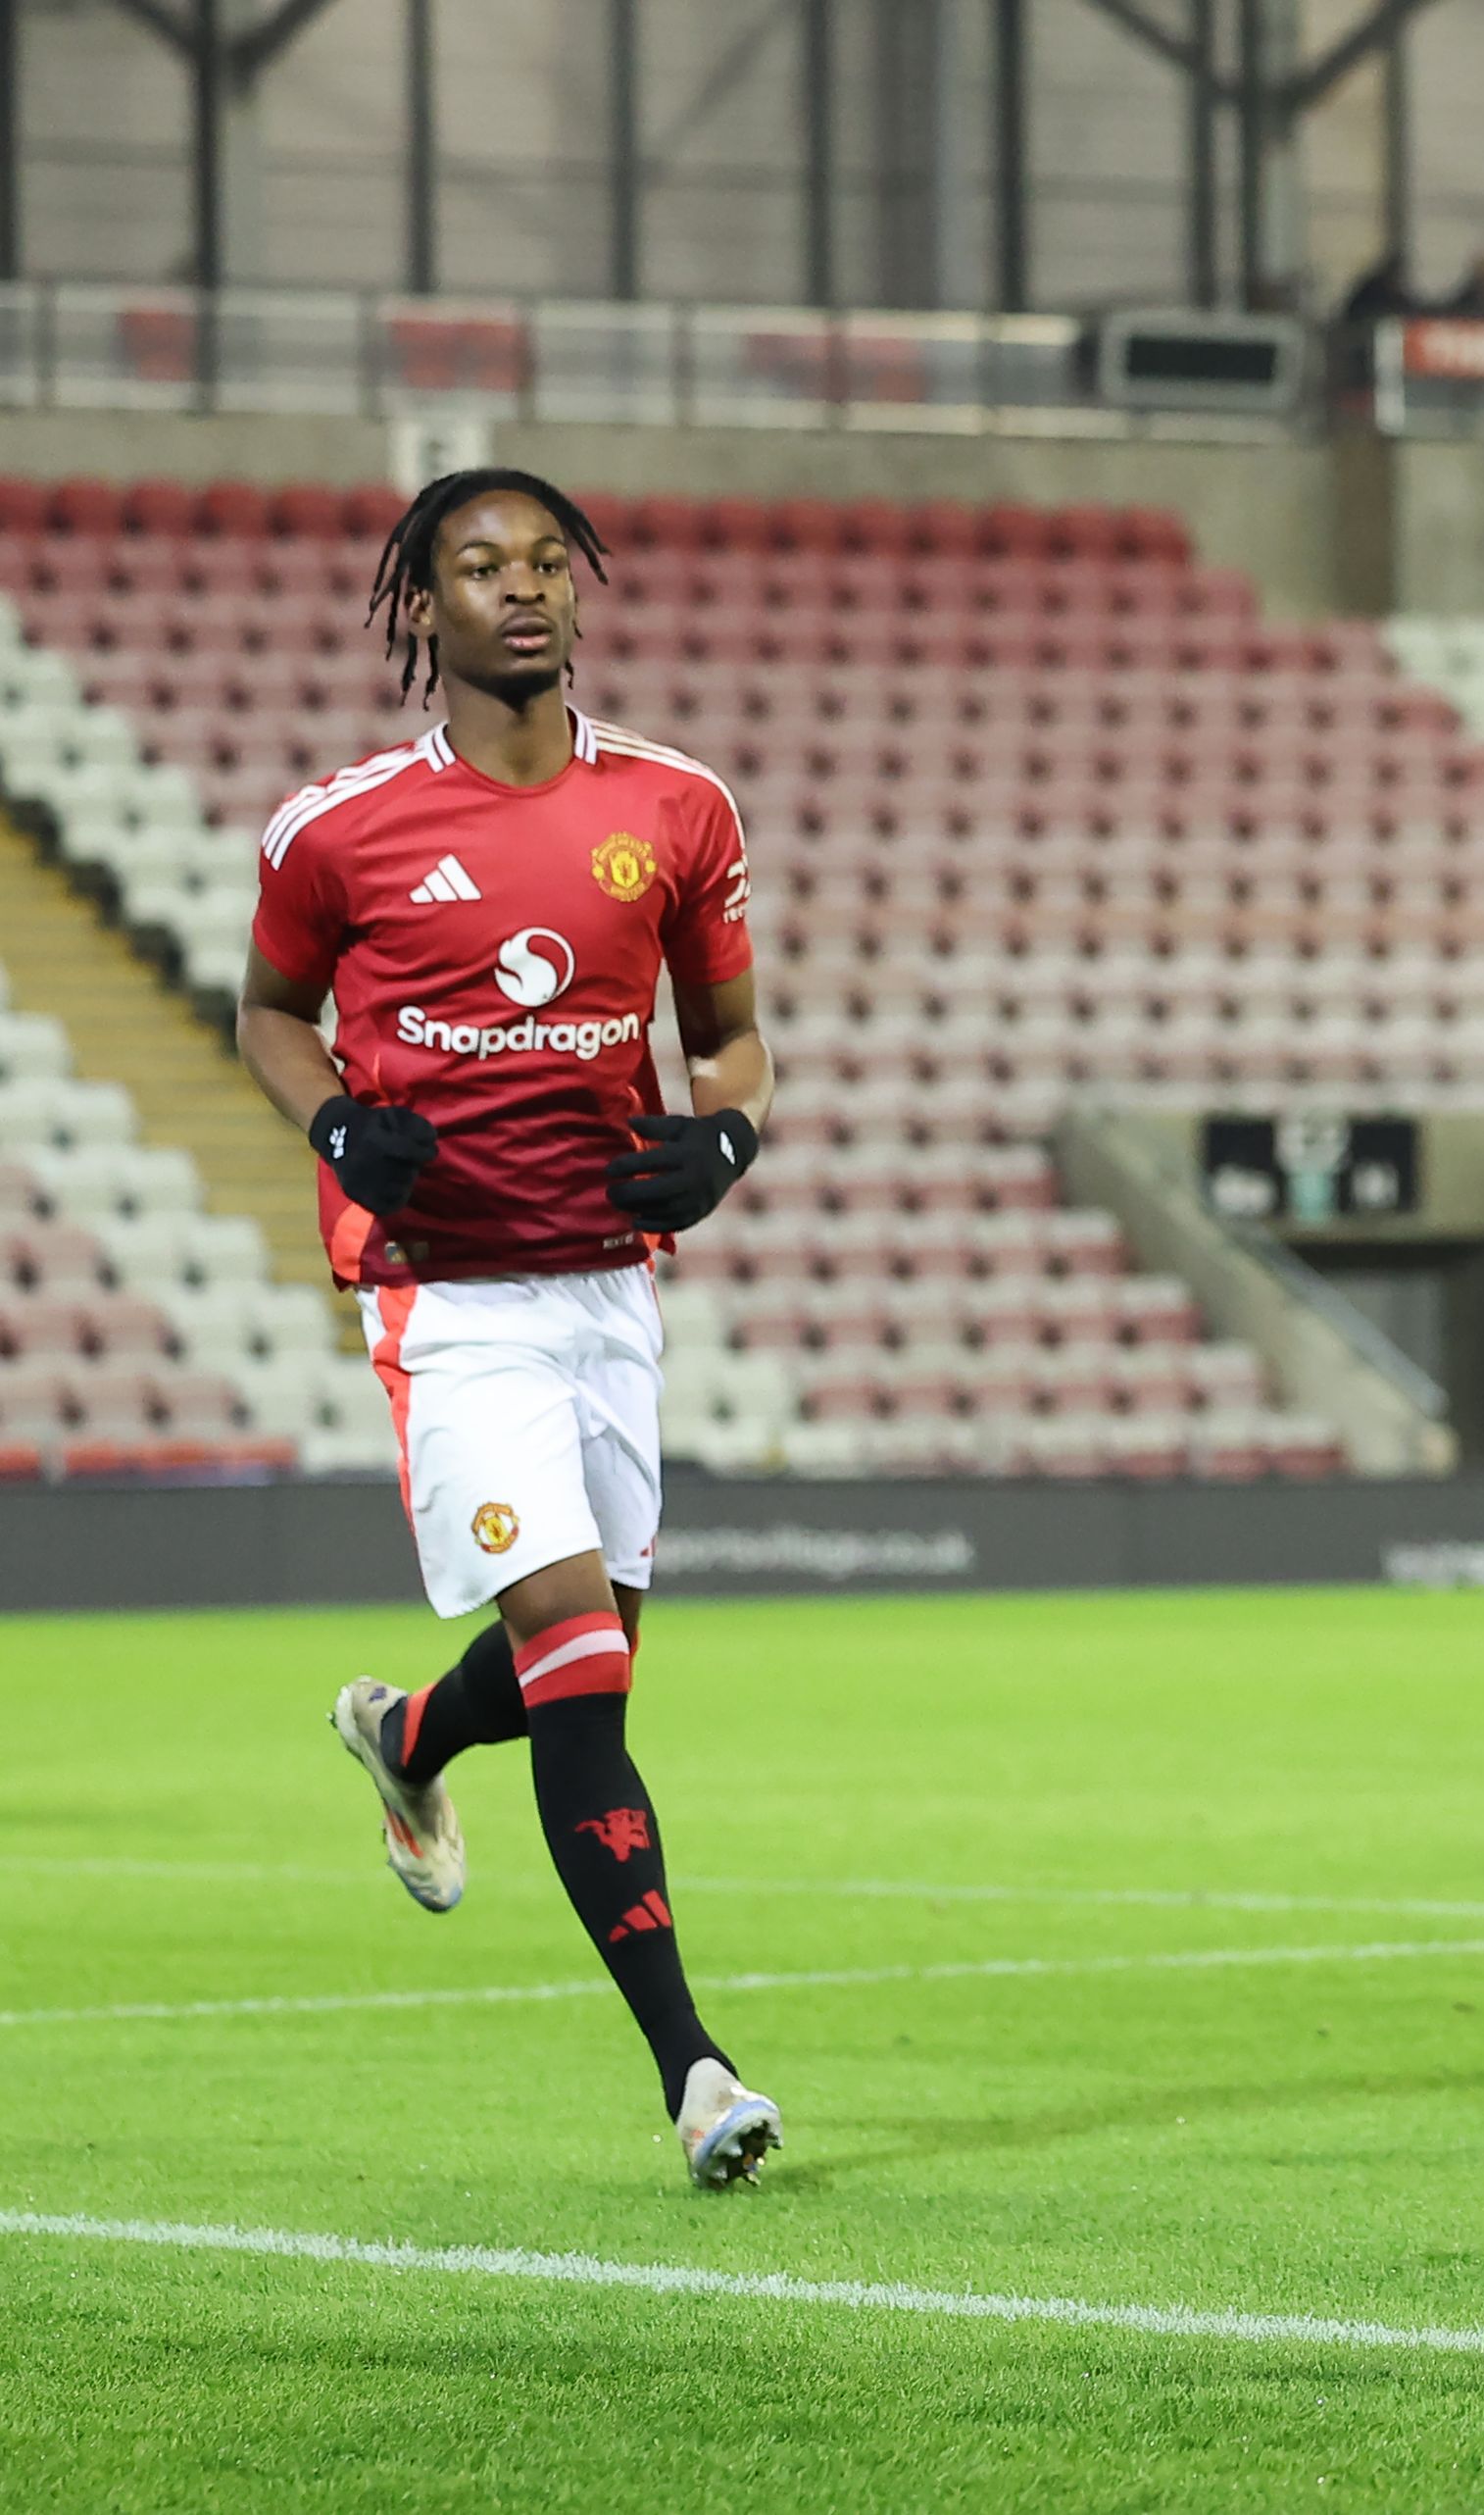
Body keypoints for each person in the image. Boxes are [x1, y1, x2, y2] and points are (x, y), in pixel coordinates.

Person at [256, 469, 781, 2188]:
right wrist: (335, 1125)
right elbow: (269, 1017)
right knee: (582, 1673)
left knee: (591, 1650)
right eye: (481, 568)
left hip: (610, 1292)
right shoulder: (333, 832)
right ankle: (693, 2069)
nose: (524, 590)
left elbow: (733, 1043)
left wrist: (726, 1137)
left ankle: (408, 1737)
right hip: (451, 1300)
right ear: (423, 609)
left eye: (548, 561)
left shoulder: (679, 806)